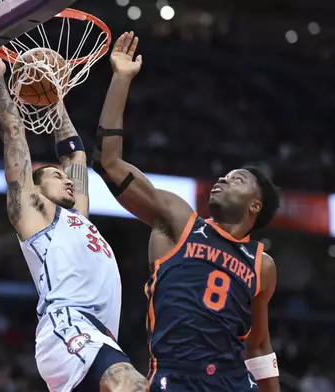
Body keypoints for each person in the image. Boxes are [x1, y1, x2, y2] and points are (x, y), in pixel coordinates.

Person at [93, 32, 281, 392]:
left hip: (233, 383)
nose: (222, 180)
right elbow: (110, 163)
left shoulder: (263, 265)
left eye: (236, 179)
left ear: (255, 206)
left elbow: (257, 344)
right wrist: (120, 78)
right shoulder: (178, 221)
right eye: (224, 176)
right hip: (176, 379)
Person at [0, 55, 148, 392]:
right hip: (68, 323)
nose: (68, 180)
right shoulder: (32, 214)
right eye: (57, 177)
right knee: (130, 384)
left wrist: (54, 97)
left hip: (97, 333)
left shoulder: (78, 217)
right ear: (37, 188)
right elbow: (13, 133)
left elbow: (74, 155)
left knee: (136, 385)